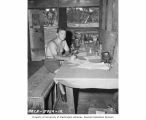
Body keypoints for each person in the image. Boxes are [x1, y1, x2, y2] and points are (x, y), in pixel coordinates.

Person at [44, 28, 76, 102]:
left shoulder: (64, 42)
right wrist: (67, 58)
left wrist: (64, 57)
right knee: (61, 74)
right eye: (61, 33)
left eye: (64, 34)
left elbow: (68, 51)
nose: (63, 35)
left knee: (71, 68)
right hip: (50, 62)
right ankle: (63, 94)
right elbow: (55, 56)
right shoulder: (52, 43)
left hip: (58, 61)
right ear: (57, 34)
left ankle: (68, 91)